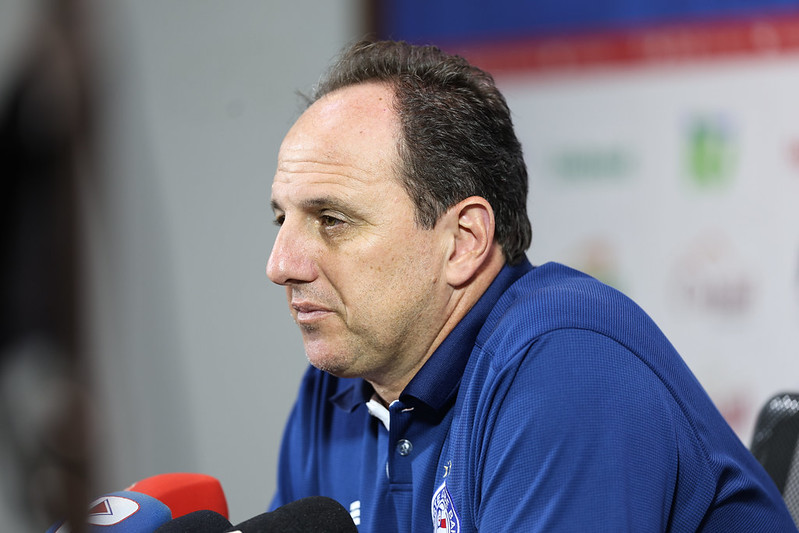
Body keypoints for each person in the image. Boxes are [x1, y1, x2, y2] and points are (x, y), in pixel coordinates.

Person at [266, 40, 796, 532]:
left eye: (332, 220)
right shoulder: (337, 386)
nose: (280, 264)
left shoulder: (571, 366)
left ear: (463, 241)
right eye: (281, 220)